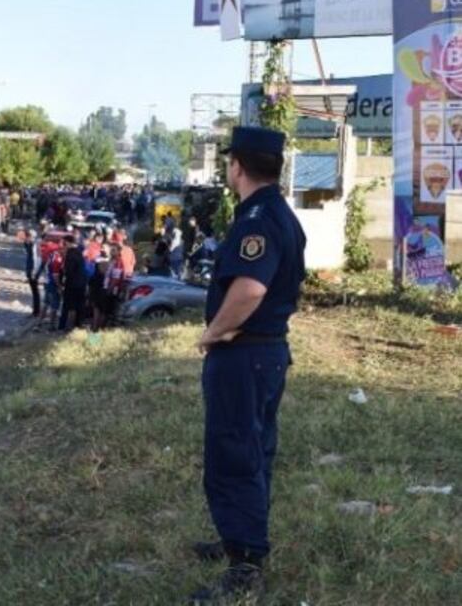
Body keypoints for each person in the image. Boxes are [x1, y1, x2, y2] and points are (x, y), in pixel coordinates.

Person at [189, 127, 306, 604]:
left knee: (234, 453)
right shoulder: (280, 212)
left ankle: (245, 565)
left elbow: (251, 289)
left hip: (245, 354)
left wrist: (213, 331)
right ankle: (239, 539)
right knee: (255, 449)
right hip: (266, 352)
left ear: (237, 166)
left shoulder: (257, 218)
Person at [58, 236, 87, 331]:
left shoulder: (70, 254)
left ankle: (68, 327)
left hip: (72, 284)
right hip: (81, 283)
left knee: (70, 306)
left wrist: (62, 277)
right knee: (78, 305)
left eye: (64, 243)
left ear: (67, 242)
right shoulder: (79, 252)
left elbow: (68, 271)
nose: (63, 245)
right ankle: (77, 325)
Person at [23, 229, 42, 317]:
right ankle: (35, 310)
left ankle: (36, 311)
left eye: (27, 236)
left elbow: (35, 259)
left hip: (33, 271)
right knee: (34, 291)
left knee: (35, 291)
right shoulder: (29, 244)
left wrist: (34, 272)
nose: (26, 238)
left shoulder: (34, 245)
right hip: (30, 270)